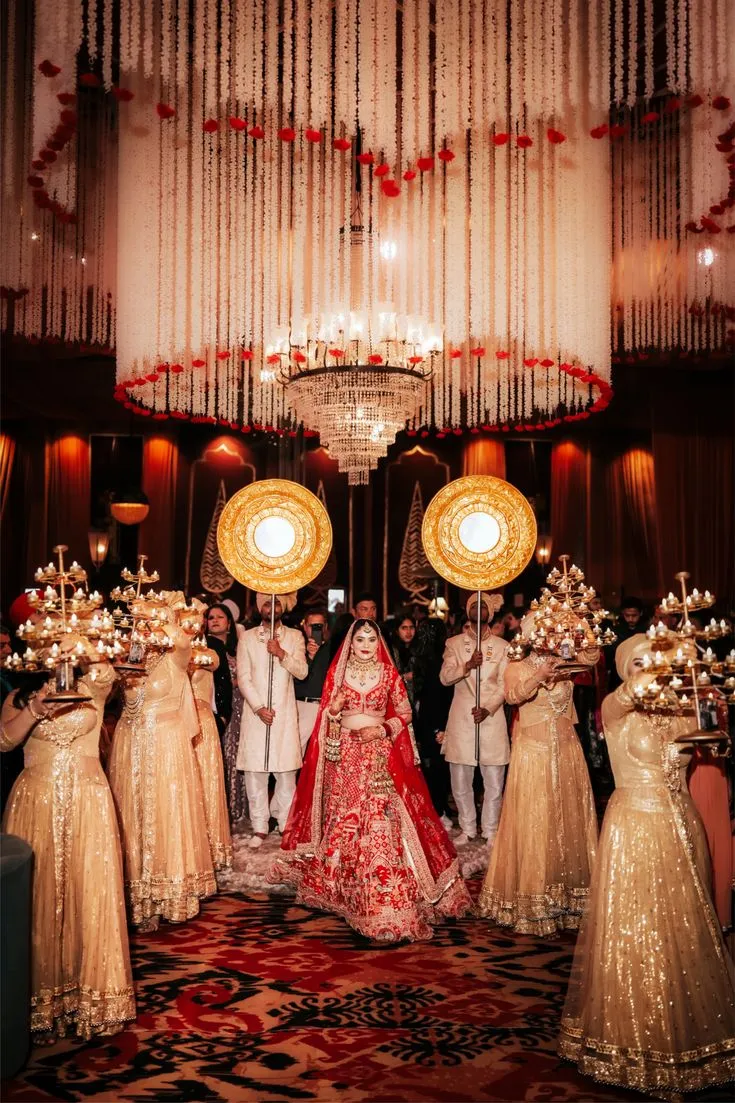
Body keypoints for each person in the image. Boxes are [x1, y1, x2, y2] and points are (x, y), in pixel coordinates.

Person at [559, 635, 735, 1094]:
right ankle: (632, 1036)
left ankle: (688, 1029)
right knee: (638, 925)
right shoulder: (615, 710)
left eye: (652, 661)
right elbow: (629, 693)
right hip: (634, 826)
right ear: (624, 669)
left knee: (685, 924)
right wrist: (666, 664)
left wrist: (704, 693)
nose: (647, 668)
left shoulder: (679, 709)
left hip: (683, 824)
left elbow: (712, 740)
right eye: (637, 662)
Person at [270, 619, 472, 941]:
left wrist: (382, 729)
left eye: (371, 639)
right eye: (360, 639)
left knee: (379, 818)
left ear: (379, 644)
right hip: (346, 755)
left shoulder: (388, 673)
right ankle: (347, 893)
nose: (365, 645)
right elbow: (327, 719)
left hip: (379, 754)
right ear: (350, 644)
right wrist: (334, 712)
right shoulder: (338, 674)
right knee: (345, 819)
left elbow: (405, 713)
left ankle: (384, 895)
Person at [1, 642, 135, 1041]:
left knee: (88, 890)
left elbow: (107, 664)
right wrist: (33, 710)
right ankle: (40, 1003)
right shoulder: (20, 696)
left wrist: (80, 629)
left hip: (88, 801)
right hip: (36, 802)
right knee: (38, 895)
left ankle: (91, 1000)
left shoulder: (93, 686)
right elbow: (4, 742)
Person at [478, 615, 599, 934]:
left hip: (567, 750)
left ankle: (570, 897)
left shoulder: (565, 662)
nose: (551, 638)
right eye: (545, 632)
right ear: (532, 636)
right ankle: (534, 899)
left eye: (554, 632)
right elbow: (513, 696)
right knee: (537, 820)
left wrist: (579, 618)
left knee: (568, 819)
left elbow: (592, 655)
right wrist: (538, 676)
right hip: (533, 753)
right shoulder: (517, 666)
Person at [108, 591, 216, 930]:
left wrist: (158, 616)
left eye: (147, 624)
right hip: (129, 745)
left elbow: (182, 640)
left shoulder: (175, 657)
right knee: (133, 816)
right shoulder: (129, 659)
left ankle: (169, 896)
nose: (142, 630)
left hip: (166, 746)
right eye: (138, 624)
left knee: (163, 814)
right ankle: (137, 899)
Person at [236, 592, 308, 849]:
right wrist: (258, 707)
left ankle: (285, 823)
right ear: (260, 608)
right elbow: (243, 677)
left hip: (283, 714)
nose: (272, 607)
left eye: (277, 603)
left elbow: (302, 671)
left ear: (284, 608)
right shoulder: (247, 638)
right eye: (267, 603)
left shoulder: (295, 637)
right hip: (256, 714)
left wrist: (281, 653)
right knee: (255, 773)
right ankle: (259, 826)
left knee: (286, 773)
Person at [439, 593, 510, 845]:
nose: (478, 610)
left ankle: (490, 829)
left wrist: (489, 708)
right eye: (474, 606)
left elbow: (504, 684)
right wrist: (467, 666)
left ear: (491, 613)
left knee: (494, 778)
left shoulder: (503, 647)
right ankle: (468, 828)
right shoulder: (454, 643)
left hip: (491, 717)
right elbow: (445, 678)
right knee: (460, 778)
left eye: (483, 607)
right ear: (467, 611)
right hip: (462, 718)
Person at [189, 603, 233, 871]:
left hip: (206, 719)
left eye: (199, 618)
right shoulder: (170, 648)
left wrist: (223, 716)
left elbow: (223, 681)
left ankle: (211, 839)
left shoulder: (212, 647)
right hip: (176, 724)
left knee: (208, 777)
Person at [206, 603, 246, 823]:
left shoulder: (238, 649)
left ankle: (239, 807)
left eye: (220, 617)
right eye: (211, 617)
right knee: (223, 752)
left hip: (242, 707)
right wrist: (236, 682)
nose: (214, 620)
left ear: (229, 623)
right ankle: (223, 809)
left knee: (238, 754)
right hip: (220, 707)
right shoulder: (205, 649)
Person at [414, 617, 453, 828]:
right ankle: (438, 810)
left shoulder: (430, 659)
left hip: (430, 718)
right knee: (436, 767)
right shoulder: (434, 660)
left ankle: (438, 809)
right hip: (434, 718)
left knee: (434, 766)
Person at [294, 608, 331, 753]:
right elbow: (296, 677)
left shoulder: (331, 649)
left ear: (325, 627)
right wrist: (309, 657)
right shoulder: (298, 648)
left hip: (324, 707)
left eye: (319, 626)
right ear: (305, 627)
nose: (316, 629)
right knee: (297, 749)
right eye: (312, 626)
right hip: (301, 705)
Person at [389, 611, 420, 708]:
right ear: (397, 631)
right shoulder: (391, 651)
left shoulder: (419, 649)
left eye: (411, 628)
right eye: (404, 628)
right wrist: (404, 677)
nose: (409, 632)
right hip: (397, 700)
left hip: (418, 699)